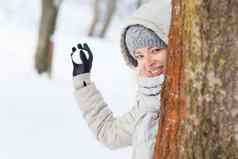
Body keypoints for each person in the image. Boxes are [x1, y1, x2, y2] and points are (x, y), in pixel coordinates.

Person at [70, 0, 171, 159]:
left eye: (156, 50)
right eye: (139, 56)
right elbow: (108, 132)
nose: (148, 62)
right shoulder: (146, 105)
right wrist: (83, 83)